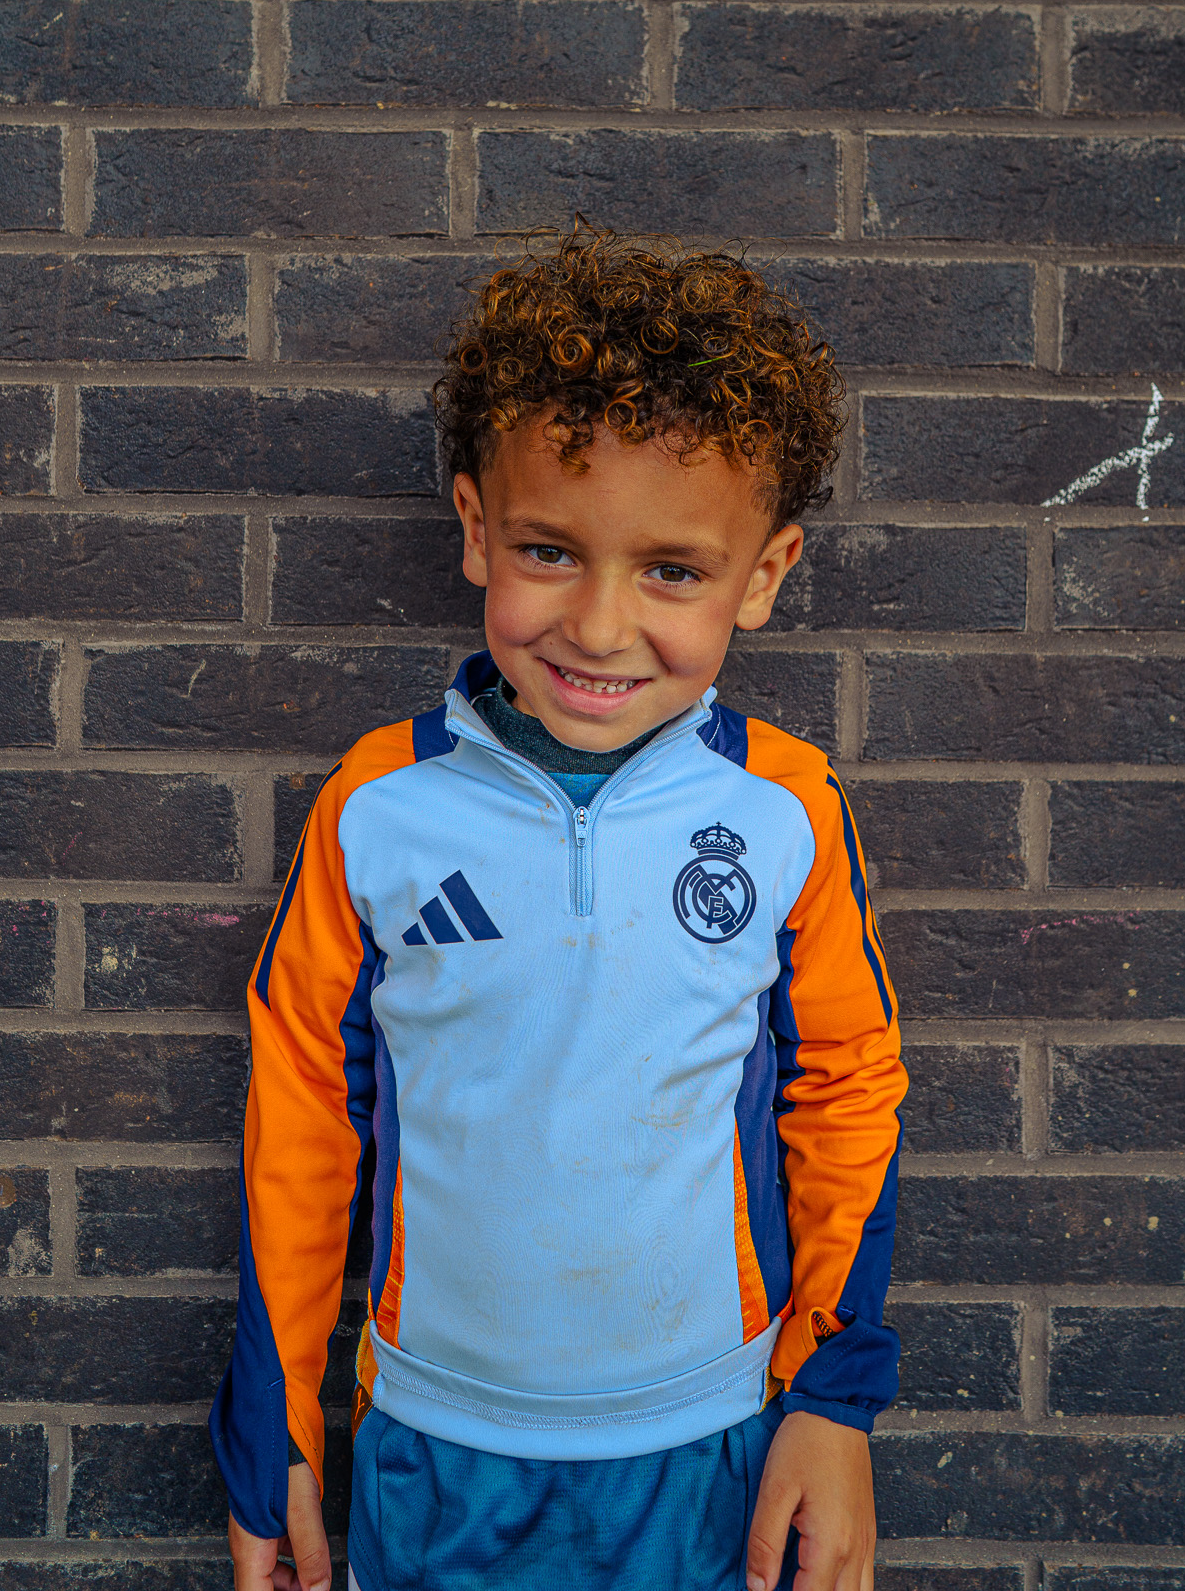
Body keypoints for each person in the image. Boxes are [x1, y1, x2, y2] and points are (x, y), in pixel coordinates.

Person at [211, 228, 907, 1591]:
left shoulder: (786, 809)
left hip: (711, 1449)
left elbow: (847, 1093)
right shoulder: (375, 808)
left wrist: (833, 1400)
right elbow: (300, 1114)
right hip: (436, 1454)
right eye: (549, 550)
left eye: (671, 571)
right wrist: (275, 1420)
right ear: (477, 530)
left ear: (763, 574)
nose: (596, 626)